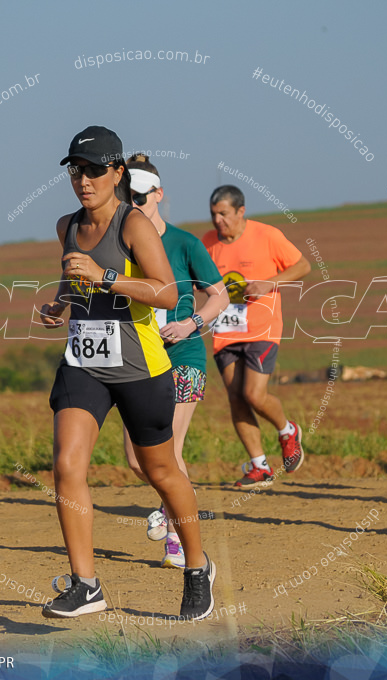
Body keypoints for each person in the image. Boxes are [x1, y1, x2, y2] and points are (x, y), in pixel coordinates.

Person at [38, 126, 215, 619]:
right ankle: (85, 584)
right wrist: (60, 306)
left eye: (94, 169)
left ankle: (197, 568)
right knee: (67, 466)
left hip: (139, 365)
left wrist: (108, 278)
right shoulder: (67, 225)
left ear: (117, 173)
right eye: (76, 170)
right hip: (84, 363)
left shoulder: (132, 224)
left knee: (161, 471)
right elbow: (74, 282)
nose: (84, 179)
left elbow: (166, 292)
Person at [121, 154, 229, 569]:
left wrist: (190, 324)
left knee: (171, 450)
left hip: (183, 355)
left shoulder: (185, 243)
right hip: (137, 360)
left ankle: (179, 540)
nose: (134, 204)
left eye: (141, 197)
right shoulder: (120, 243)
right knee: (137, 459)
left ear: (159, 195)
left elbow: (219, 295)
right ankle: (169, 503)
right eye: (127, 198)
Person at [202, 185, 311, 489]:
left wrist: (268, 284)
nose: (218, 221)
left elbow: (303, 266)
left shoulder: (267, 236)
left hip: (262, 329)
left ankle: (287, 430)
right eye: (213, 215)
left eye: (224, 214)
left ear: (240, 211)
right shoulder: (207, 243)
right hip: (225, 330)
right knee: (235, 397)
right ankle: (259, 466)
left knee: (253, 394)